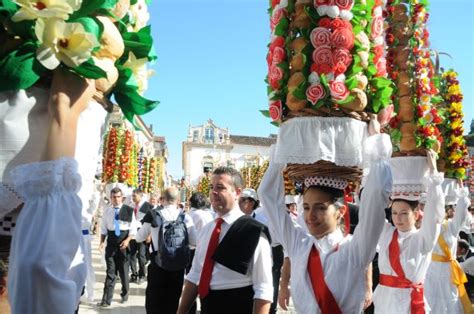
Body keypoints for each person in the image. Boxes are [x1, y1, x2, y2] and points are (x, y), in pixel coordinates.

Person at [259, 125, 392, 313]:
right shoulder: (298, 243)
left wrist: (376, 141)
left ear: (341, 211)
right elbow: (266, 195)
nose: (310, 216)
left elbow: (377, 195)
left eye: (320, 208)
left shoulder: (356, 248)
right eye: (306, 207)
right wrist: (280, 155)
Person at [178, 167, 274, 314]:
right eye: (212, 187)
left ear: (237, 192)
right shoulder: (207, 229)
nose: (214, 192)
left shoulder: (253, 231)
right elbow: (195, 274)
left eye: (221, 187)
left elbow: (263, 288)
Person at [373, 150, 444, 313]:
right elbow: (373, 208)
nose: (398, 218)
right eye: (394, 213)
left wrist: (434, 174)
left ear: (417, 213)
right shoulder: (386, 234)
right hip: (385, 303)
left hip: (409, 303)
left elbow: (434, 213)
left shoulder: (423, 239)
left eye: (404, 213)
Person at [135, 186, 196, 313]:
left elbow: (139, 238)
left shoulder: (153, 215)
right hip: (178, 266)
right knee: (173, 301)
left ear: (163, 199)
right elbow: (194, 242)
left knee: (154, 301)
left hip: (158, 264)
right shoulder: (185, 217)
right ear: (178, 200)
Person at [424, 182, 471, 313]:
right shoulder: (424, 227)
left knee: (450, 300)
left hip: (448, 271)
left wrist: (461, 189)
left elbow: (461, 211)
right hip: (430, 270)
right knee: (430, 300)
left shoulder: (451, 226)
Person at [239, 188, 284, 314]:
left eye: (243, 200)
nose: (239, 202)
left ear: (251, 203)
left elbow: (271, 242)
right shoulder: (233, 219)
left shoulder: (262, 221)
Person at [97, 187, 137, 307]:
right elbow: (103, 229)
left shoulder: (128, 210)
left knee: (124, 272)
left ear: (122, 197)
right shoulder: (107, 211)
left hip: (123, 242)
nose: (116, 199)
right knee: (110, 272)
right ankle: (106, 300)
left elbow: (133, 228)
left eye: (118, 197)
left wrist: (128, 240)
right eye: (114, 197)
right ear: (111, 198)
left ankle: (125, 293)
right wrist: (102, 242)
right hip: (111, 243)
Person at [129, 189, 152, 284]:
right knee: (132, 254)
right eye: (132, 195)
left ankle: (142, 274)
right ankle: (134, 274)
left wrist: (149, 235)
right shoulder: (131, 206)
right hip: (132, 232)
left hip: (143, 232)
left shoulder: (148, 206)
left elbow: (151, 222)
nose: (132, 197)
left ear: (140, 195)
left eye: (134, 196)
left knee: (141, 255)